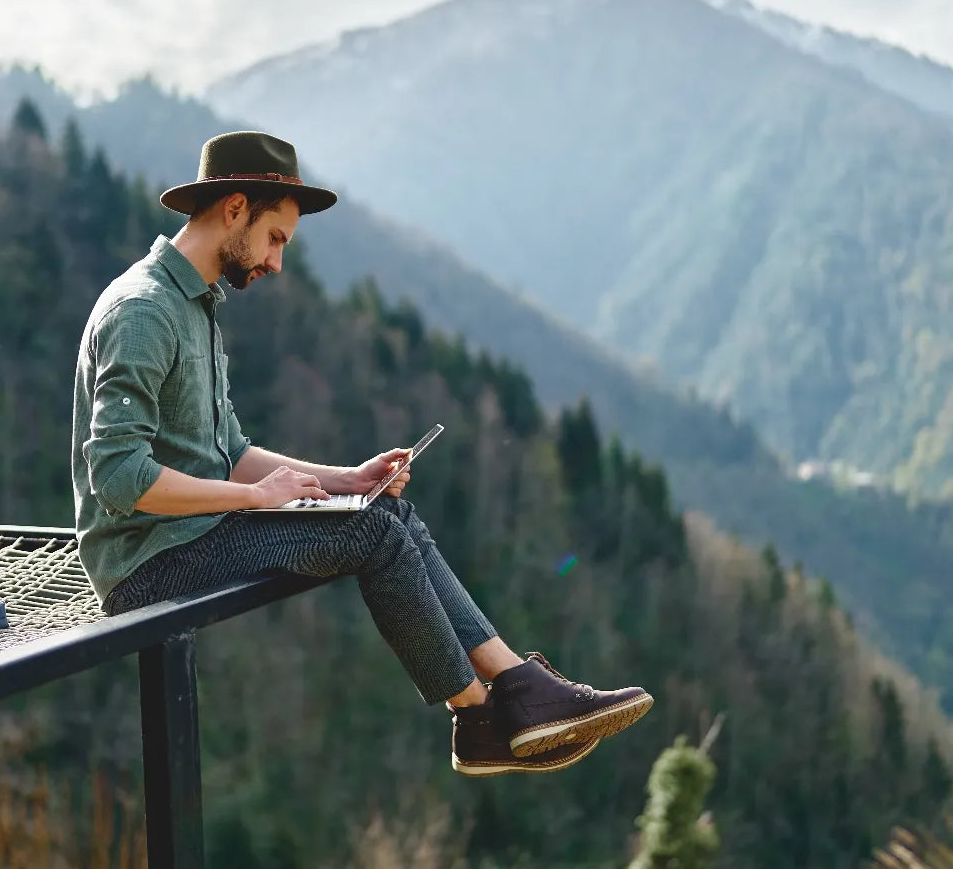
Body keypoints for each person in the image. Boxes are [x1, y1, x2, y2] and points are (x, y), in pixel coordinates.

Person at [71, 131, 652, 775]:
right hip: (147, 563)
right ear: (234, 208)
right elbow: (120, 477)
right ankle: (480, 717)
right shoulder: (145, 311)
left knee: (388, 514)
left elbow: (229, 452)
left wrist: (348, 478)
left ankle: (516, 687)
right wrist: (254, 499)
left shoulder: (195, 307)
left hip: (198, 532)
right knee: (371, 535)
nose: (277, 262)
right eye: (276, 239)